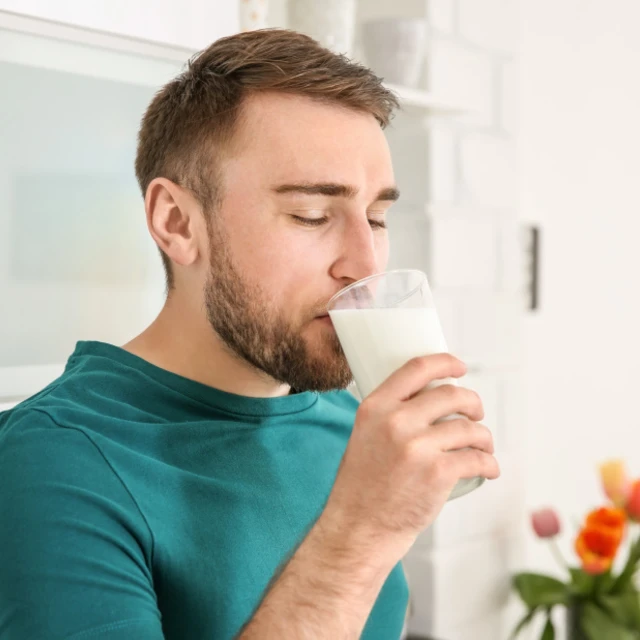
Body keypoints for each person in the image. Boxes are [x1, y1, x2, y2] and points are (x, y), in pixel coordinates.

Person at [0, 29, 499, 640]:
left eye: (375, 217)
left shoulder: (353, 421)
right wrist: (362, 534)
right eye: (311, 216)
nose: (365, 263)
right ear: (177, 222)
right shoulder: (53, 462)